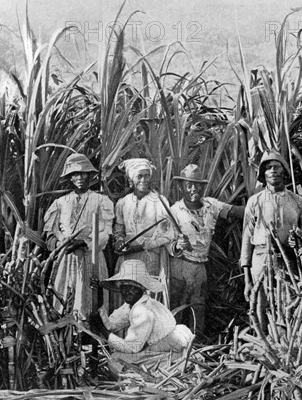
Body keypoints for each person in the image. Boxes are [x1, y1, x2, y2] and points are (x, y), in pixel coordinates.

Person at [169, 164, 245, 334]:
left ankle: (196, 344)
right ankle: (174, 343)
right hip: (181, 265)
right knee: (178, 306)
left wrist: (258, 206)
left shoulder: (211, 205)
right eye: (188, 185)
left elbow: (234, 211)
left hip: (201, 266)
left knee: (199, 306)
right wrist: (177, 246)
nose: (193, 189)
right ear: (181, 186)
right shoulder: (174, 211)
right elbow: (166, 241)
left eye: (197, 185)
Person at [240, 150, 302, 327]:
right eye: (268, 168)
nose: (272, 171)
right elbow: (247, 239)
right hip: (261, 259)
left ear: (284, 171)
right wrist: (247, 280)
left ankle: (286, 347)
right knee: (259, 305)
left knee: (288, 304)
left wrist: (298, 243)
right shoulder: (255, 201)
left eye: (276, 167)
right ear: (263, 173)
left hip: (288, 260)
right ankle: (262, 348)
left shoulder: (298, 202)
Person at [43, 153, 114, 318]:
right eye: (75, 174)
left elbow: (106, 232)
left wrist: (85, 244)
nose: (80, 177)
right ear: (70, 177)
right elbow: (50, 233)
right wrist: (59, 244)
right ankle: (67, 337)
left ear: (90, 175)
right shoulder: (60, 203)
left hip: (92, 256)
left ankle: (89, 335)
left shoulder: (101, 201)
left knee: (91, 301)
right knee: (64, 300)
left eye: (84, 173)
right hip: (66, 259)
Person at [89, 259, 193, 363]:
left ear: (142, 288)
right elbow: (111, 325)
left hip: (170, 348)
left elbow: (132, 348)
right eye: (124, 287)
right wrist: (100, 302)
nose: (127, 292)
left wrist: (103, 330)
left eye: (133, 288)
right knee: (118, 357)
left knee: (115, 360)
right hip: (163, 346)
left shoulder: (142, 310)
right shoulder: (131, 305)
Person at [112, 158, 174, 306]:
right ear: (131, 179)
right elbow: (119, 229)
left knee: (148, 297)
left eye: (147, 176)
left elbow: (167, 234)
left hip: (150, 257)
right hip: (127, 259)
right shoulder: (123, 203)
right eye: (139, 176)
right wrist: (119, 241)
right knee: (127, 297)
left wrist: (140, 246)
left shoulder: (160, 202)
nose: (144, 180)